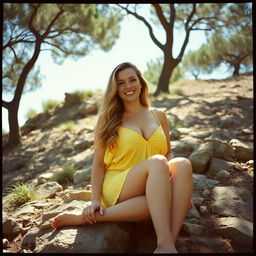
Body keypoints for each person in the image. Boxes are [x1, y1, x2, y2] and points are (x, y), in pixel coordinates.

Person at [50, 62, 193, 253]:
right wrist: (94, 199)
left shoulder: (159, 115)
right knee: (159, 163)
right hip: (119, 185)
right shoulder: (108, 118)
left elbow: (168, 151)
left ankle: (166, 245)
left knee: (182, 164)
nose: (128, 86)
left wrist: (183, 186)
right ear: (116, 90)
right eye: (121, 83)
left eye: (132, 80)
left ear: (141, 83)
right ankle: (89, 216)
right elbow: (99, 163)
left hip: (154, 185)